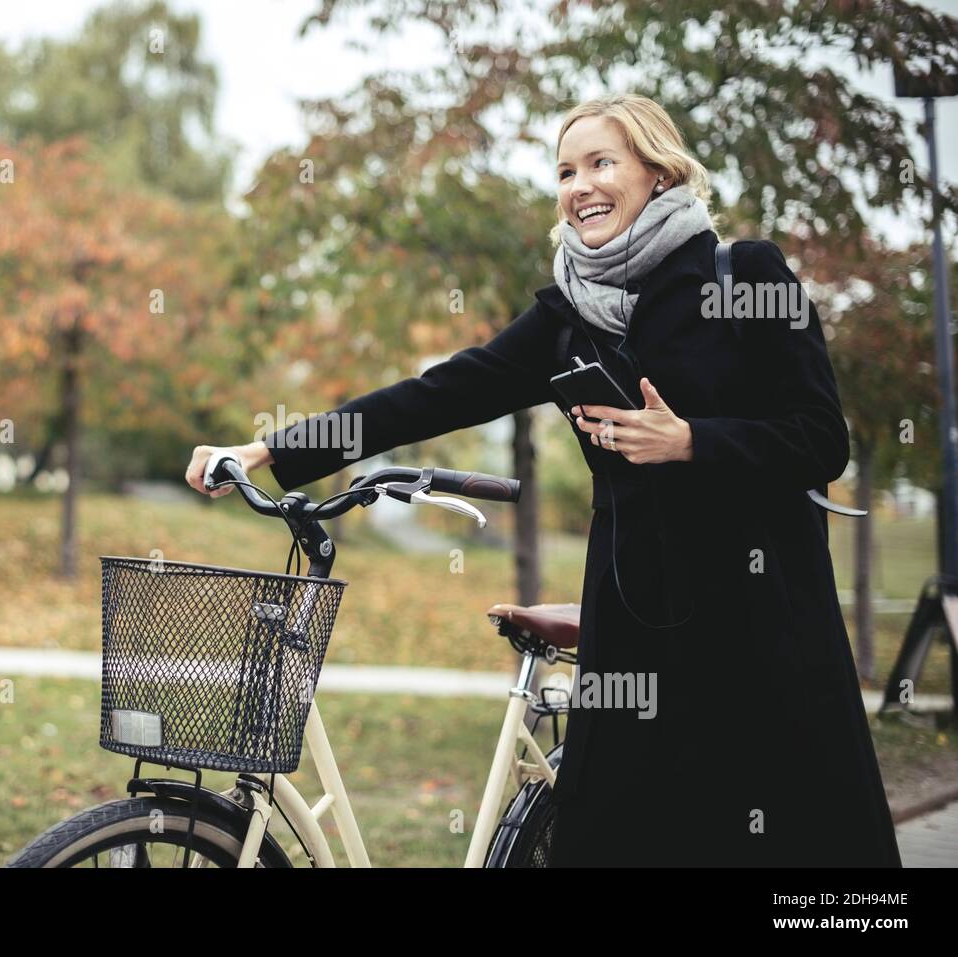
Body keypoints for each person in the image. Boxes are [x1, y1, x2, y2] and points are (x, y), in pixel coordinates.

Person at [184, 93, 901, 867]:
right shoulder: (566, 319)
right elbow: (435, 393)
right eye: (566, 170)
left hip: (758, 623)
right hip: (635, 622)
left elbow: (821, 439)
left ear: (658, 173)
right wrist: (271, 449)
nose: (580, 185)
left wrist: (691, 440)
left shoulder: (745, 274)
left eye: (602, 162)